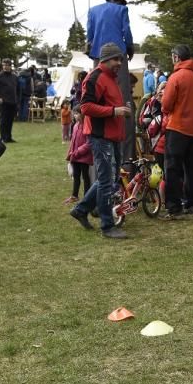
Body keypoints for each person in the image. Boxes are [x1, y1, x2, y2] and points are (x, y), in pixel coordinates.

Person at [69, 43, 132, 239]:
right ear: (105, 59)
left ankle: (81, 209)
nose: (119, 63)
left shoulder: (111, 78)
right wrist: (114, 111)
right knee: (106, 181)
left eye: (121, 59)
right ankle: (107, 226)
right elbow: (85, 107)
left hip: (113, 135)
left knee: (111, 179)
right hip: (100, 136)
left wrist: (122, 109)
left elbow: (108, 104)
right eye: (116, 59)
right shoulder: (95, 77)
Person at [86, 0, 136, 163]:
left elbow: (89, 34)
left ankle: (96, 154)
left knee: (96, 96)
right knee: (122, 99)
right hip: (116, 55)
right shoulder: (122, 10)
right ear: (120, 1)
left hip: (98, 55)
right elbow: (126, 31)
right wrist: (129, 47)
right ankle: (126, 159)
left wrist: (90, 48)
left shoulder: (93, 10)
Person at [160, 44, 193, 219]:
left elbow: (166, 105)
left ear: (177, 57)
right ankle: (191, 204)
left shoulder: (176, 77)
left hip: (177, 127)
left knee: (172, 168)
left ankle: (173, 207)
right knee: (191, 169)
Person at [65, 109, 92, 205]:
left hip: (84, 158)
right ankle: (74, 196)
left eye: (77, 113)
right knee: (76, 176)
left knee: (85, 177)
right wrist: (69, 154)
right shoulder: (75, 126)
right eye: (74, 113)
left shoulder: (87, 126)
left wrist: (78, 152)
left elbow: (89, 144)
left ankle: (87, 197)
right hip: (75, 157)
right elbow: (73, 141)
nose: (75, 116)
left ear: (83, 114)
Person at [0, 58, 18, 143]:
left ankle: (8, 137)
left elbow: (17, 88)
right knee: (4, 120)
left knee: (10, 120)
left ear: (10, 66)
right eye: (4, 65)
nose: (5, 67)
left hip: (13, 101)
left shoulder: (14, 77)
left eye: (7, 65)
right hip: (4, 102)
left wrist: (17, 99)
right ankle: (3, 138)